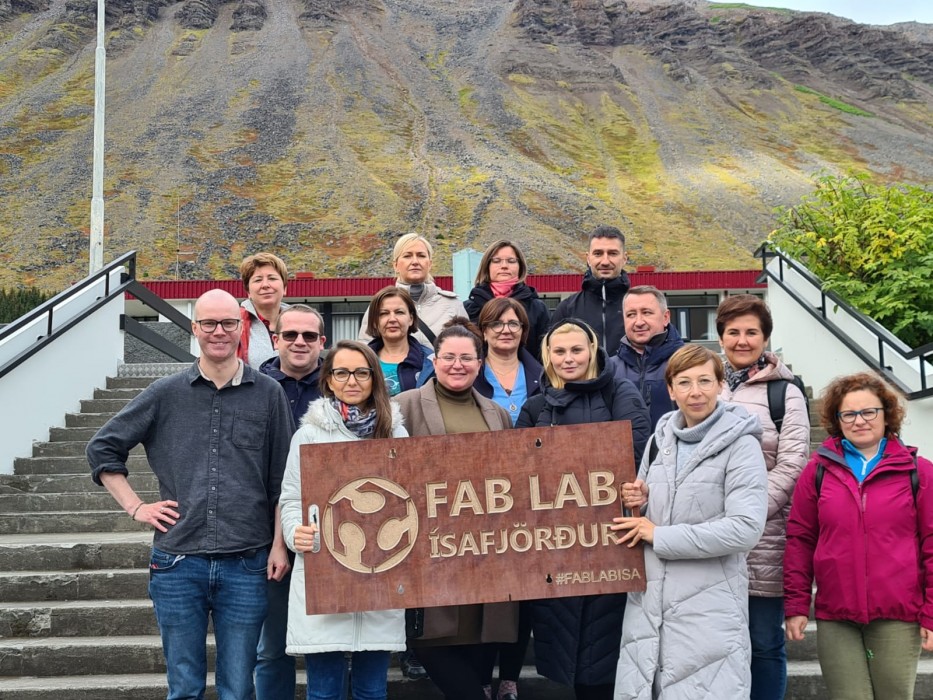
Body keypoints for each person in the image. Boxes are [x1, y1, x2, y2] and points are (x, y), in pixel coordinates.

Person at [87, 289, 294, 700]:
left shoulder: (269, 393)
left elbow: (283, 480)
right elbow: (102, 448)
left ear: (241, 328)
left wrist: (278, 547)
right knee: (183, 688)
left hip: (248, 562)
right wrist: (136, 506)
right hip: (178, 563)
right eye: (209, 323)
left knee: (239, 688)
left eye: (228, 323)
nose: (219, 332)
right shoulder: (165, 393)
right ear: (195, 328)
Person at [613, 344, 768, 699]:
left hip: (708, 607)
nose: (695, 392)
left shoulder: (741, 445)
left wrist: (660, 535)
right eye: (684, 383)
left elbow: (745, 528)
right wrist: (638, 501)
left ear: (720, 385)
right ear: (671, 390)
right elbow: (642, 518)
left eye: (704, 381)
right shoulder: (659, 441)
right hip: (649, 606)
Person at [516, 319, 650, 700]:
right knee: (574, 655)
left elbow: (638, 453)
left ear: (592, 350)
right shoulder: (535, 406)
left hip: (612, 541)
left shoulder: (619, 392)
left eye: (576, 350)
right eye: (559, 351)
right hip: (557, 546)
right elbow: (517, 473)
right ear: (548, 356)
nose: (568, 358)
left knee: (607, 654)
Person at [784, 372, 933, 700]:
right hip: (837, 616)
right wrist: (796, 604)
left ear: (886, 414)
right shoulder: (818, 471)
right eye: (849, 414)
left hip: (897, 615)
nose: (859, 420)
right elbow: (800, 539)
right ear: (837, 420)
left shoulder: (918, 471)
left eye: (869, 411)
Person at [396, 319, 518, 700]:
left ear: (480, 364)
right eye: (448, 357)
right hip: (429, 557)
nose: (457, 365)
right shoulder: (404, 406)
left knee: (479, 651)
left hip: (485, 558)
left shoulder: (497, 414)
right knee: (435, 649)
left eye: (466, 358)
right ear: (434, 360)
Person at [280, 340, 408, 700]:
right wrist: (294, 532)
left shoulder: (395, 433)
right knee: (323, 692)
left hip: (380, 571)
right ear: (328, 380)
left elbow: (407, 500)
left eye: (361, 372)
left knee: (372, 691)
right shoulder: (309, 434)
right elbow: (291, 498)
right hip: (325, 572)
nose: (352, 381)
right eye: (342, 372)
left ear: (374, 378)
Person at [716, 294, 810, 700]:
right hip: (710, 537)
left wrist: (746, 514)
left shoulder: (785, 393)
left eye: (751, 332)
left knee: (765, 643)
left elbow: (792, 463)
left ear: (765, 337)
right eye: (733, 332)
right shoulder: (706, 385)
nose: (742, 340)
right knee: (717, 645)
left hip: (765, 539)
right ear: (720, 337)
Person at [254, 303, 327, 700]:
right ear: (275, 339)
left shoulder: (341, 385)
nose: (300, 342)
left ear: (322, 342)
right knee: (271, 647)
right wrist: (276, 540)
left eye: (309, 335)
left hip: (330, 530)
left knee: (332, 646)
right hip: (265, 532)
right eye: (290, 334)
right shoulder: (253, 387)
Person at [358, 233, 467, 347]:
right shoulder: (379, 305)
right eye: (407, 256)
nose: (415, 261)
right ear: (395, 265)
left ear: (430, 264)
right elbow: (367, 349)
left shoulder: (453, 305)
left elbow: (468, 349)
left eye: (421, 255)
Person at [610, 286, 683, 430]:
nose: (639, 322)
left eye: (646, 313)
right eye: (631, 315)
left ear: (666, 317)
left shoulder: (689, 363)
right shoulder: (608, 369)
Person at [463, 240, 550, 361]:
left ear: (520, 267)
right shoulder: (468, 308)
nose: (504, 266)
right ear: (487, 266)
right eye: (496, 261)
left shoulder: (537, 308)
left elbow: (545, 354)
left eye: (511, 261)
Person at [551, 225, 630, 352]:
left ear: (624, 258)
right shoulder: (567, 309)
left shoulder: (639, 307)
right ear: (588, 258)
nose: (605, 261)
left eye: (612, 253)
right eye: (598, 254)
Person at [474, 297, 543, 426]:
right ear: (484, 332)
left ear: (523, 332)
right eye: (496, 324)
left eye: (513, 324)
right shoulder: (472, 375)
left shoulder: (542, 376)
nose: (506, 330)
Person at [365, 287, 434, 396]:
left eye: (399, 312)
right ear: (374, 322)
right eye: (384, 313)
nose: (392, 319)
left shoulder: (430, 362)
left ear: (411, 319)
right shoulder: (361, 360)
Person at [238, 252, 290, 368]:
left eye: (272, 278)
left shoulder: (299, 322)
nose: (265, 285)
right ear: (248, 291)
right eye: (258, 280)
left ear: (284, 288)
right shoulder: (234, 323)